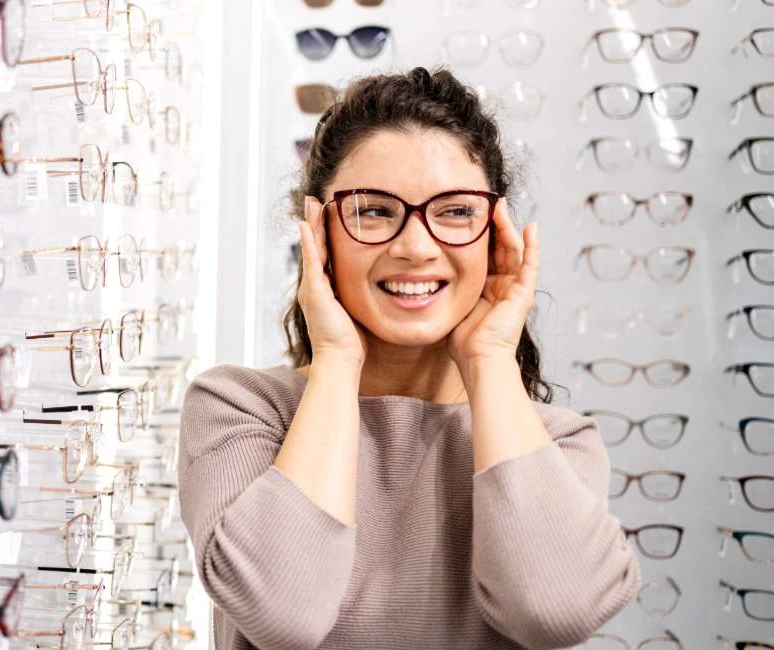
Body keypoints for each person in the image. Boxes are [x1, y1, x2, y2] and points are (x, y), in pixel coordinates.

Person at [176, 67, 641, 649]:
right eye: (373, 211)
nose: (416, 246)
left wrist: (491, 357)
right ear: (318, 233)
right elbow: (284, 616)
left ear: (495, 235)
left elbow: (553, 613)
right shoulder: (241, 410)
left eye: (455, 212)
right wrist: (338, 360)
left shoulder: (557, 444)